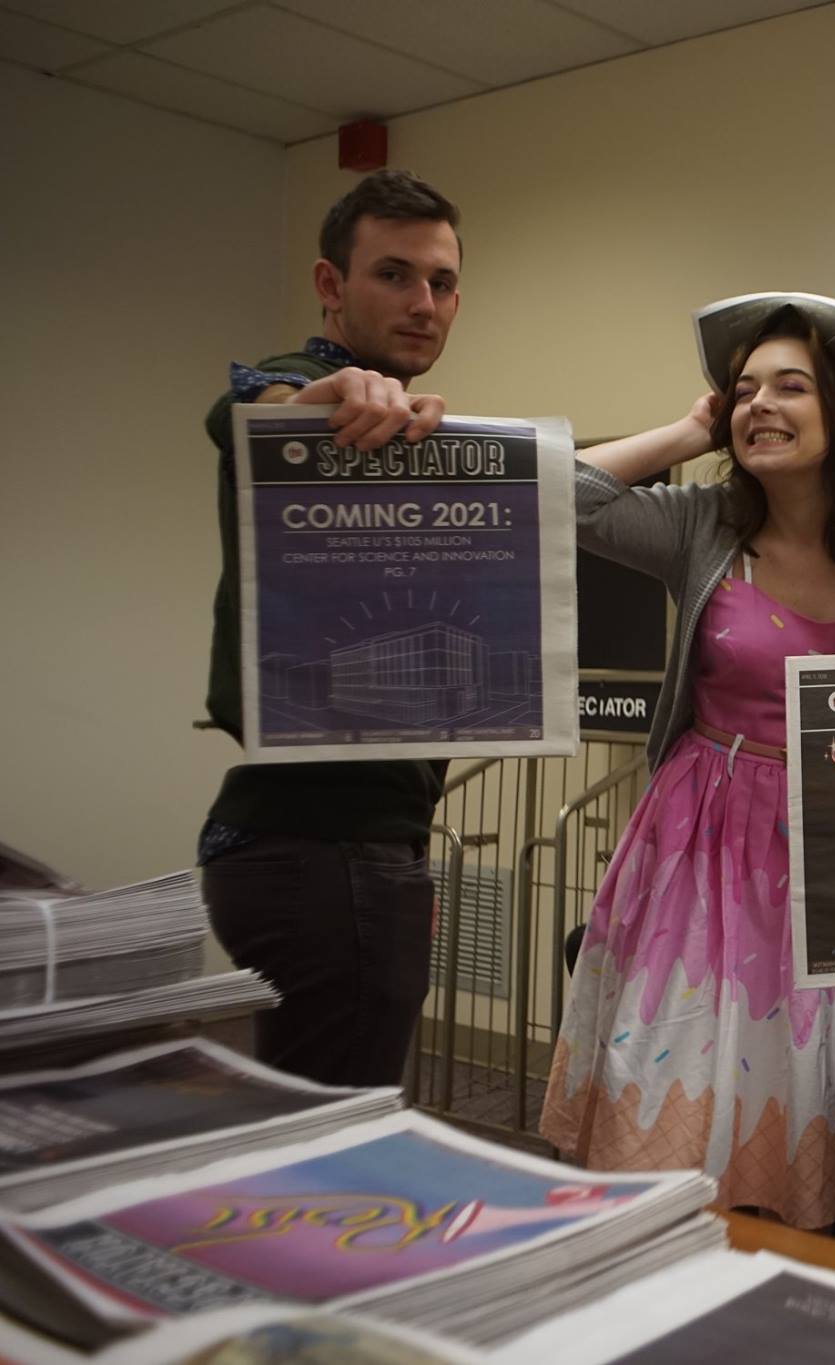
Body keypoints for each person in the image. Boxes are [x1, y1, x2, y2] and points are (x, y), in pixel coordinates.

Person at [539, 300, 835, 1228]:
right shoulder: (703, 525)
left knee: (808, 1074)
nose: (760, 403)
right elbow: (544, 494)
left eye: (791, 386)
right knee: (675, 1068)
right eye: (745, 389)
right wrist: (690, 429)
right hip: (703, 840)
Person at [198, 170, 463, 1087]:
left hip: (327, 845)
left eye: (441, 282)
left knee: (309, 1106)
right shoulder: (311, 391)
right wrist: (325, 396)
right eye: (393, 275)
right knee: (336, 1131)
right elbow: (248, 410)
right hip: (326, 849)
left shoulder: (412, 434)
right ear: (329, 285)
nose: (424, 303)